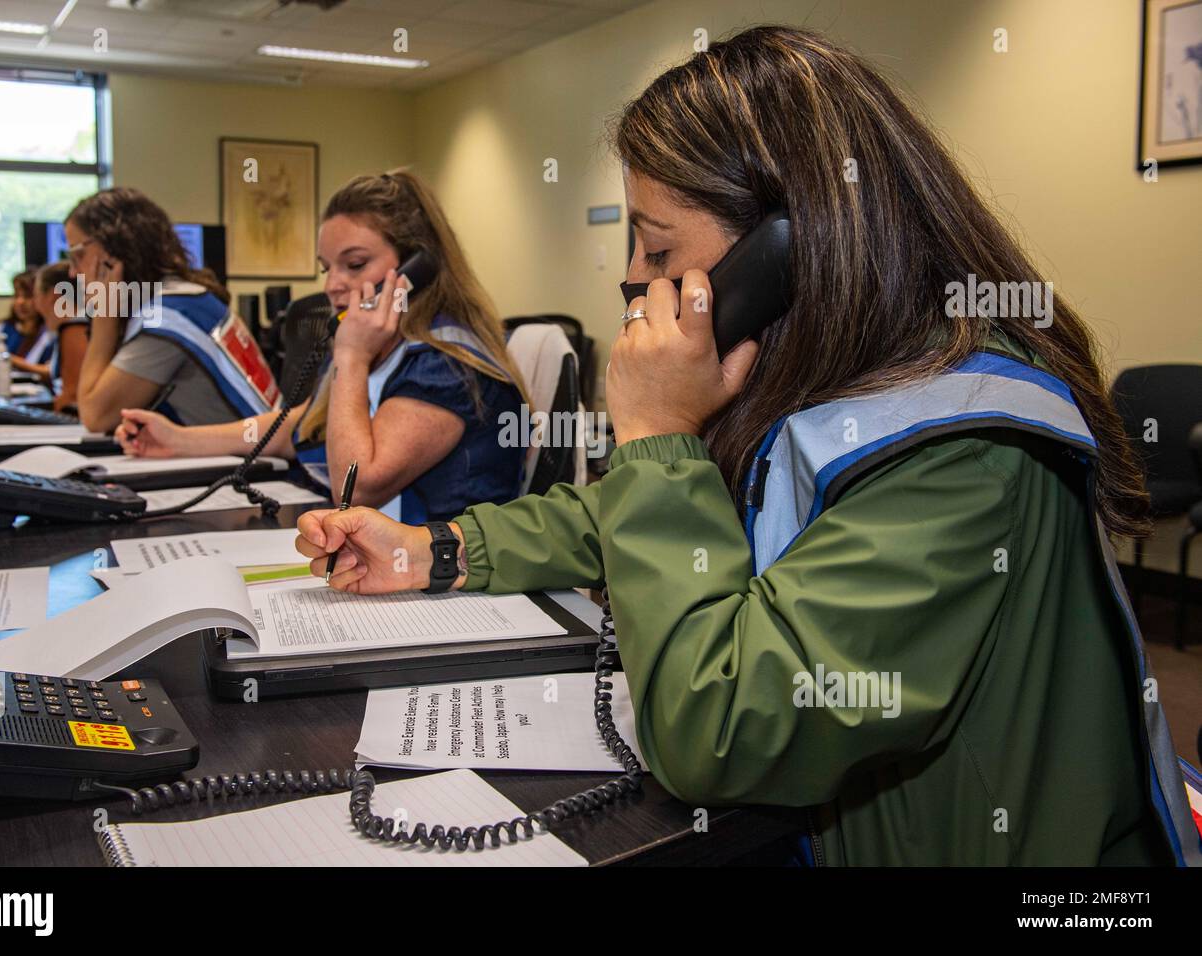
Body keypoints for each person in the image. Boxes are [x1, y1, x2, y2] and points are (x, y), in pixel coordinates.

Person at [292, 26, 1201, 866]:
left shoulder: (963, 450)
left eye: (655, 250)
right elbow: (633, 513)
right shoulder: (828, 375)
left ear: (785, 251)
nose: (632, 280)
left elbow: (719, 730)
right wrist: (436, 549)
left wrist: (654, 433)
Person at [116, 170, 529, 524]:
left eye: (354, 264)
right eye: (326, 268)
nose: (332, 285)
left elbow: (356, 487)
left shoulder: (446, 362)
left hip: (447, 590)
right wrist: (180, 440)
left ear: (417, 267)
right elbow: (304, 426)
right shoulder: (383, 343)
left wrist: (350, 358)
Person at [66, 187, 279, 432]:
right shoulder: (183, 298)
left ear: (112, 252)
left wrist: (104, 316)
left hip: (250, 465)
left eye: (77, 255)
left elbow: (95, 416)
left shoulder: (167, 318)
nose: (72, 272)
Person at [33, 260, 87, 412]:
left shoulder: (75, 329)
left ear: (52, 296)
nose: (35, 304)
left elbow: (72, 396)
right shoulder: (71, 327)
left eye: (36, 295)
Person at [0, 268, 55, 380]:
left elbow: (51, 371)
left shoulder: (51, 333)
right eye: (17, 296)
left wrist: (11, 360)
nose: (20, 302)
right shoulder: (0, 329)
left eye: (28, 296)